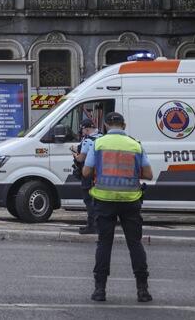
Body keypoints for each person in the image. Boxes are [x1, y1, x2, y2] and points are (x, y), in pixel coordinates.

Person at [82, 111, 153, 303]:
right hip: (130, 201)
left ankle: (100, 290)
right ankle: (142, 290)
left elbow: (86, 171)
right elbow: (148, 174)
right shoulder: (135, 145)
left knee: (104, 244)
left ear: (105, 125)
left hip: (104, 200)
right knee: (135, 243)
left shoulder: (98, 143)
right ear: (124, 125)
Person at [72, 118, 99, 234]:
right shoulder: (102, 137)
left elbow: (81, 158)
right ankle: (98, 224)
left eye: (82, 130)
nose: (81, 132)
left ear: (86, 129)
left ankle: (92, 225)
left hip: (88, 174)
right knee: (97, 201)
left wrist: (74, 154)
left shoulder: (87, 141)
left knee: (88, 200)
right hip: (100, 174)